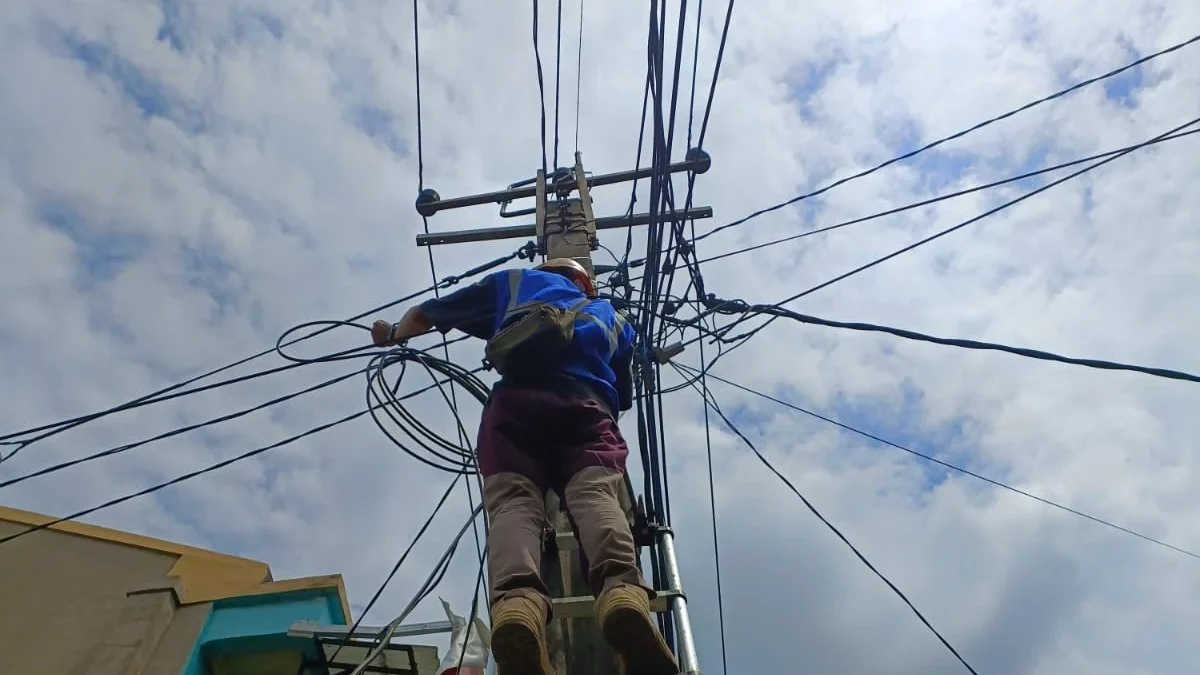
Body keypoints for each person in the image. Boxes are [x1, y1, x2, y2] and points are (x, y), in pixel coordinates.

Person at [371, 258, 678, 675]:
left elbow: (429, 313)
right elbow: (622, 394)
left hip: (513, 406)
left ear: (546, 267)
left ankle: (518, 607)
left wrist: (393, 334)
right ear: (585, 284)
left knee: (515, 504)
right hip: (587, 407)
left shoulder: (514, 283)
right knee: (593, 494)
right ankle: (622, 594)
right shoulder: (612, 315)